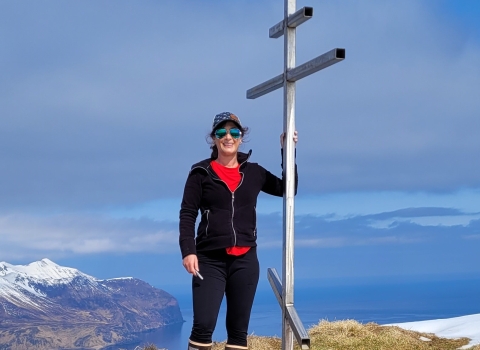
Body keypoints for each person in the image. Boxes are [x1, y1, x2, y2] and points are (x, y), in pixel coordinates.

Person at [179, 112, 298, 350]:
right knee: (203, 328)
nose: (228, 137)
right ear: (213, 138)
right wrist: (188, 251)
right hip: (209, 260)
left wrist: (287, 151)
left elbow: (289, 189)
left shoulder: (254, 172)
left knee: (238, 332)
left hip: (245, 261)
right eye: (222, 132)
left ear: (241, 138)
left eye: (234, 132)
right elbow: (187, 213)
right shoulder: (200, 173)